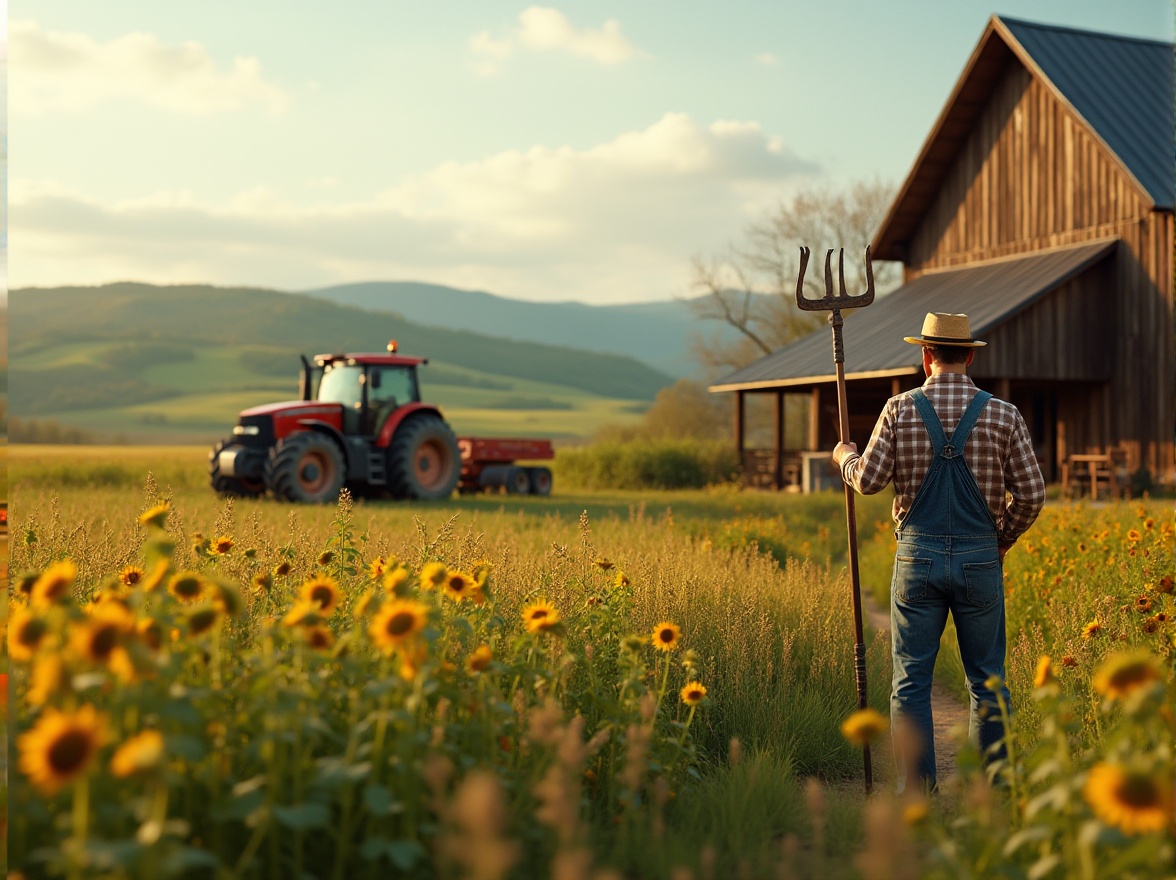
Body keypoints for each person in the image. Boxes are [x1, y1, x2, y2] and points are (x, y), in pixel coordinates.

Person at [832, 312, 1045, 794]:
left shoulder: (899, 408)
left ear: (925, 356)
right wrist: (1001, 540)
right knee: (988, 682)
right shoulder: (1004, 413)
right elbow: (1031, 494)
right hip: (980, 561)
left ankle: (917, 794)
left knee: (910, 683)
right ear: (969, 356)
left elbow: (867, 481)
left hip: (917, 561)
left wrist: (844, 456)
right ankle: (989, 794)